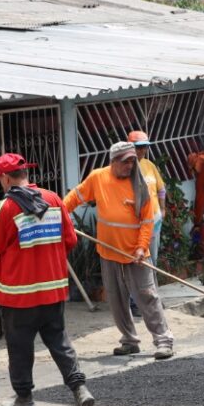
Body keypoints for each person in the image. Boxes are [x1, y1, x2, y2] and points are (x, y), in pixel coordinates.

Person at [0, 152, 96, 406]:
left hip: (18, 296)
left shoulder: (5, 208)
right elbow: (71, 240)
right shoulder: (53, 199)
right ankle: (80, 390)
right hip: (52, 289)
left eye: (1, 180)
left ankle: (25, 399)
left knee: (20, 348)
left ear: (6, 178)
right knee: (59, 341)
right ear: (25, 174)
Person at [63, 141, 175, 359]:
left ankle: (164, 341)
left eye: (133, 162)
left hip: (136, 254)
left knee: (147, 297)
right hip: (109, 253)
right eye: (126, 162)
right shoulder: (98, 177)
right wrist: (61, 214)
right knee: (116, 299)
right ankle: (129, 340)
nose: (130, 166)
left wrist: (142, 248)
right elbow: (75, 197)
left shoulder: (139, 185)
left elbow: (147, 221)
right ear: (113, 161)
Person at [128, 131, 167, 266]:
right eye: (139, 147)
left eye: (145, 147)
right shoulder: (126, 168)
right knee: (140, 256)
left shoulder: (149, 165)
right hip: (136, 220)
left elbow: (161, 188)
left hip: (153, 218)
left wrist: (162, 209)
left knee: (153, 256)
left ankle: (152, 285)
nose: (143, 150)